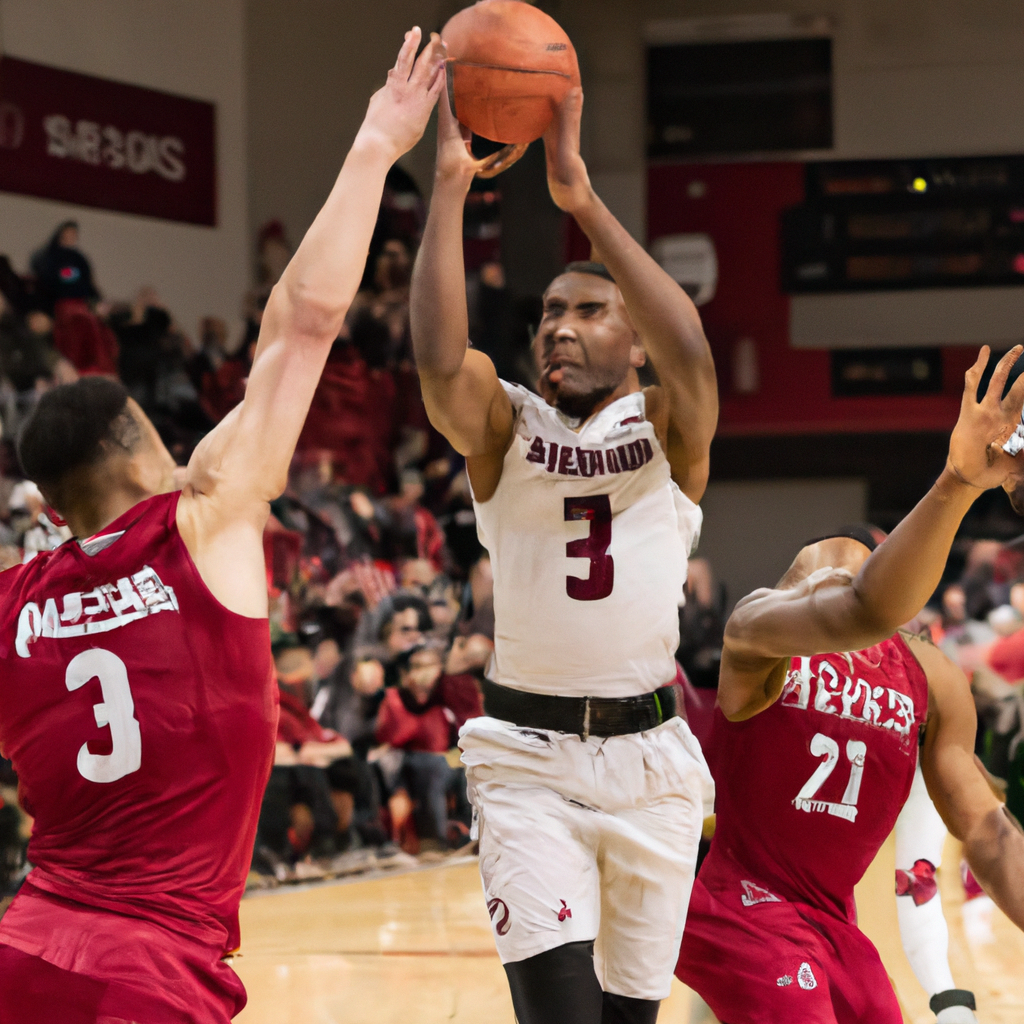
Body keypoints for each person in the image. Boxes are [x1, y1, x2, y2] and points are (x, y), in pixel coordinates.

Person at [0, 30, 445, 1024]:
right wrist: (376, 143)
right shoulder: (206, 519)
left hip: (21, 950)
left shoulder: (10, 607)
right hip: (151, 971)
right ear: (131, 445)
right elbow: (302, 325)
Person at [410, 82, 718, 1024]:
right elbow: (435, 359)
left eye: (588, 311)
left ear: (633, 342)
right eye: (550, 311)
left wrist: (581, 198)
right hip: (528, 760)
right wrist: (451, 192)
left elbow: (695, 354)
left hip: (652, 764)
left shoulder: (669, 425)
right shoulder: (505, 426)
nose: (558, 326)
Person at [674, 346, 1024, 1024]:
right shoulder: (756, 632)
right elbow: (862, 604)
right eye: (819, 565)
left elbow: (987, 829)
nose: (835, 568)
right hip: (736, 902)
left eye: (856, 558)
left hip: (831, 922)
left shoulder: (930, 675)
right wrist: (958, 479)